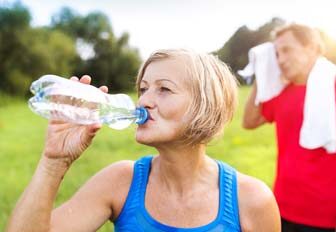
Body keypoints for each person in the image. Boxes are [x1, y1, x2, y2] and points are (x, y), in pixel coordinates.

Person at [6, 49, 280, 232]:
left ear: (206, 106)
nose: (145, 100)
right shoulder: (121, 181)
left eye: (164, 89)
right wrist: (53, 162)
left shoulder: (251, 200)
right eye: (143, 88)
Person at [243, 24, 336, 232]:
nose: (280, 60)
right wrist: (262, 75)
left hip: (326, 217)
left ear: (311, 48)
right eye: (276, 53)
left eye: (286, 50)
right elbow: (249, 121)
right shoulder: (283, 92)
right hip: (281, 207)